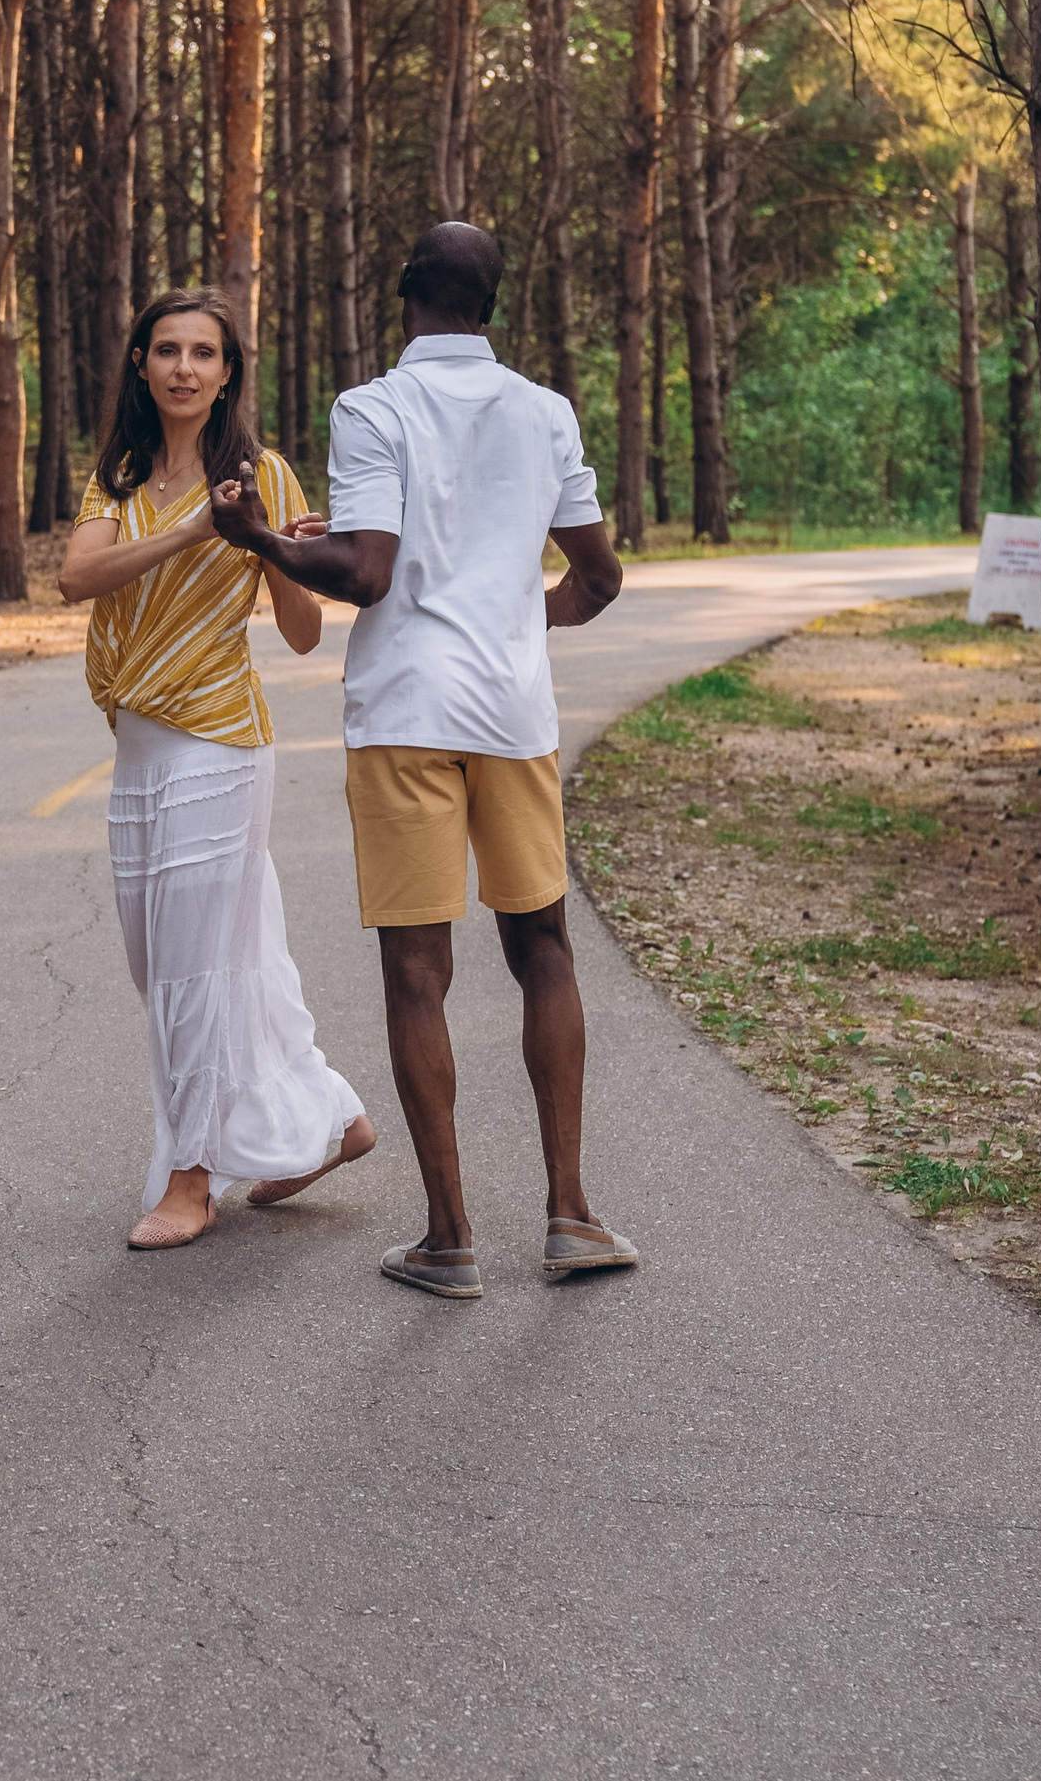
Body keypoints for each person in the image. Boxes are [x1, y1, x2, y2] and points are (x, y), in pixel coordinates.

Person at [210, 220, 632, 1299]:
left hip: (405, 711)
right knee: (543, 949)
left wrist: (259, 541)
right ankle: (571, 1214)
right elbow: (597, 576)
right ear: (491, 304)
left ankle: (449, 1240)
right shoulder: (545, 413)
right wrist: (518, 614)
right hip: (511, 712)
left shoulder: (372, 408)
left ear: (405, 295)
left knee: (416, 972)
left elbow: (367, 573)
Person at [58, 288, 374, 1253]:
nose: (186, 367)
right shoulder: (115, 477)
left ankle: (191, 1177)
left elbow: (305, 631)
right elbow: (77, 578)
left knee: (196, 968)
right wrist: (201, 528)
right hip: (138, 749)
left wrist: (275, 544)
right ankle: (332, 1118)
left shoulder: (261, 474)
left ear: (228, 370)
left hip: (219, 746)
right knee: (189, 964)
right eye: (167, 350)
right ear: (142, 366)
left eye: (204, 352)